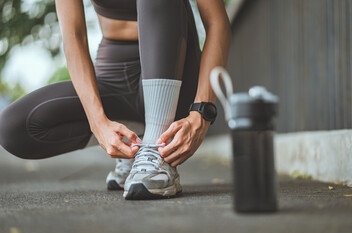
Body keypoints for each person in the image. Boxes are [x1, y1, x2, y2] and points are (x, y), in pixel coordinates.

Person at [0, 0, 231, 200]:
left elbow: (217, 22)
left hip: (177, 73)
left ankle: (155, 150)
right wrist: (98, 123)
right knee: (14, 129)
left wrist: (202, 112)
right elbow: (74, 36)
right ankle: (136, 142)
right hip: (115, 73)